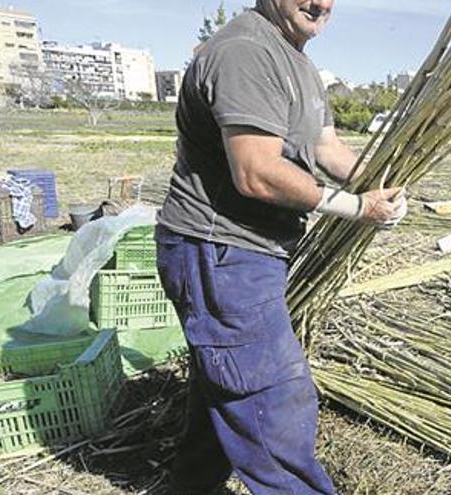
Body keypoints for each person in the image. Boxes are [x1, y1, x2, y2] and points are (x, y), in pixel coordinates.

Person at [155, 1, 407, 493]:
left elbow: (325, 148)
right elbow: (256, 171)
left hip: (247, 251)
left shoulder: (300, 63)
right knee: (272, 404)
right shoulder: (247, 52)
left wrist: (381, 188)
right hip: (221, 250)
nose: (321, 3)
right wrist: (358, 209)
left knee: (226, 388)